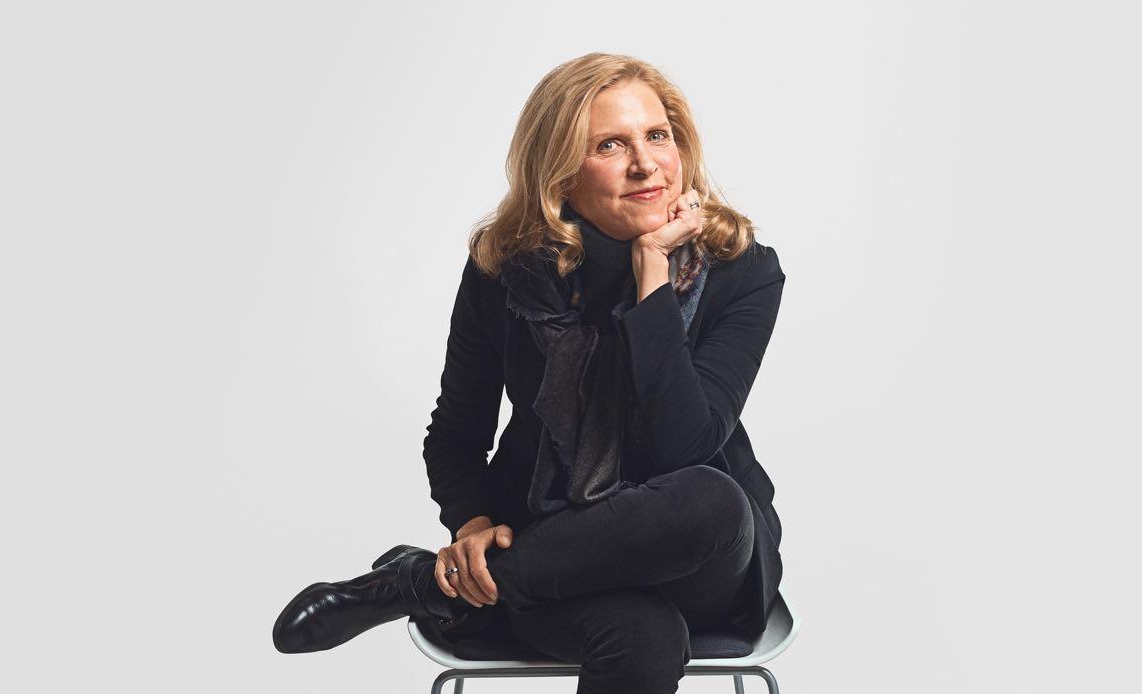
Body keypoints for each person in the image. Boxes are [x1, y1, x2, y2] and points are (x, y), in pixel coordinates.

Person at [272, 52, 787, 693]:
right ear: (563, 175)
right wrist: (474, 526)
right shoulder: (509, 273)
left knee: (712, 499)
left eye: (658, 135)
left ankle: (429, 586)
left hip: (697, 554)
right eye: (610, 145)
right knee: (644, 642)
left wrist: (652, 282)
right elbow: (457, 431)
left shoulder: (742, 271)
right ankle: (467, 580)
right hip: (549, 545)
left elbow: (683, 446)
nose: (646, 163)